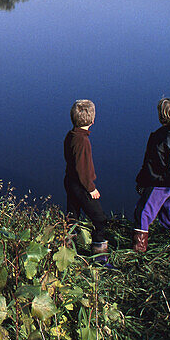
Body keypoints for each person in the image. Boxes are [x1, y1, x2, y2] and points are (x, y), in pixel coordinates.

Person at [132, 97, 170, 253]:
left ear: (161, 116)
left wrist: (141, 182)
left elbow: (150, 164)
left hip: (160, 184)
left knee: (143, 213)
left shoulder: (158, 138)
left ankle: (140, 250)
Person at [62, 99, 109, 255]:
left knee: (72, 217)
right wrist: (91, 188)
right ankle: (99, 256)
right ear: (92, 120)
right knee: (99, 219)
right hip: (81, 186)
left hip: (70, 181)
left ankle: (69, 251)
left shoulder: (71, 135)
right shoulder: (83, 141)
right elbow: (83, 169)